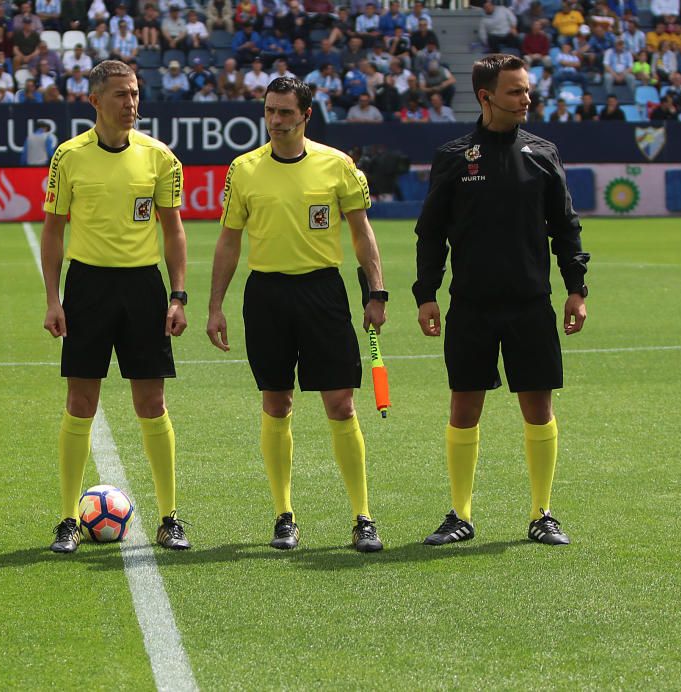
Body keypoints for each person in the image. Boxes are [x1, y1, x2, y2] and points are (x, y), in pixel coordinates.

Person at [412, 54, 589, 547]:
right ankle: (460, 513)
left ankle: (542, 513)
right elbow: (431, 233)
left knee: (538, 406)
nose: (526, 99)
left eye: (527, 90)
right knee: (464, 407)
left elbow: (566, 227)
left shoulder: (543, 152)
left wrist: (576, 289)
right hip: (469, 305)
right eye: (515, 92)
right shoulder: (454, 155)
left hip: (531, 304)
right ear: (486, 97)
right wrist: (426, 294)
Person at [206, 77, 387, 553]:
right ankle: (284, 515)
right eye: (270, 111)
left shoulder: (338, 166)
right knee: (276, 403)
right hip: (266, 295)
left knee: (341, 404)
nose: (276, 121)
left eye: (286, 112)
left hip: (323, 293)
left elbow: (362, 234)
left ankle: (362, 517)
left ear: (307, 114)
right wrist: (214, 305)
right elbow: (228, 241)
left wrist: (377, 292)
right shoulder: (243, 170)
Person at [41, 60, 191, 554]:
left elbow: (173, 230)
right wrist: (53, 298)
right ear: (95, 101)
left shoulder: (159, 157)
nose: (130, 104)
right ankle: (67, 517)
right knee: (80, 403)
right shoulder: (68, 157)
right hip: (87, 288)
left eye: (134, 94)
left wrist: (177, 294)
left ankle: (170, 516)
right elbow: (54, 230)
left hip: (143, 289)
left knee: (152, 403)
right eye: (120, 95)